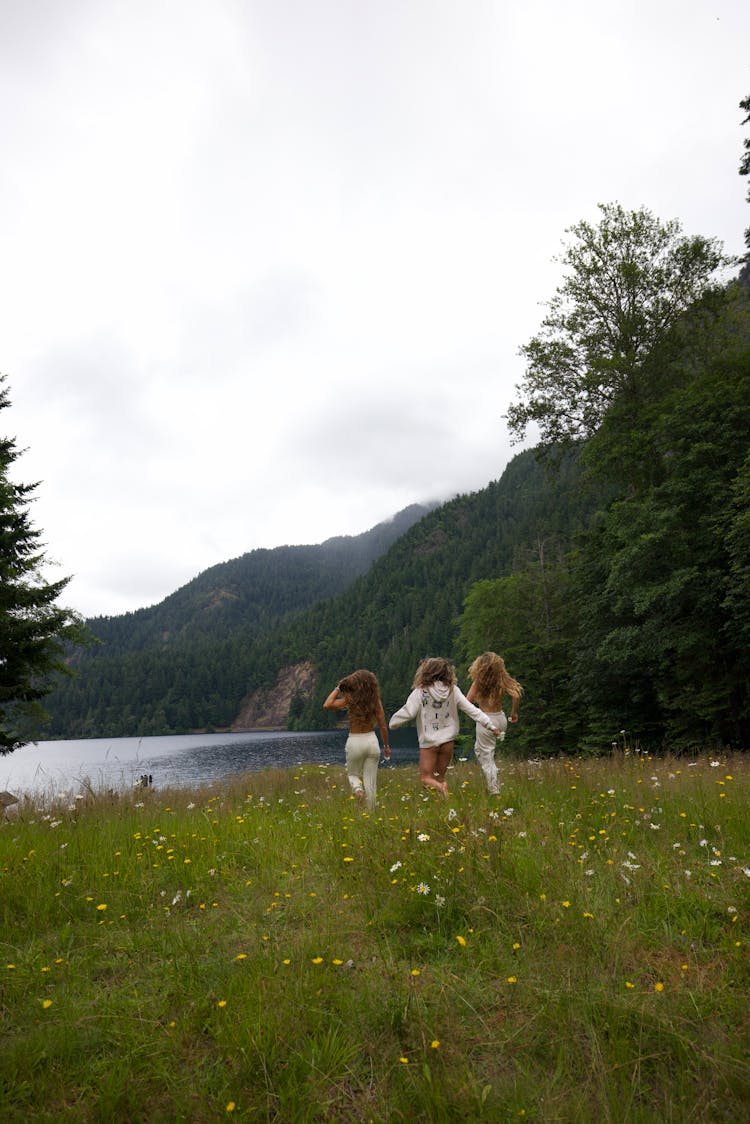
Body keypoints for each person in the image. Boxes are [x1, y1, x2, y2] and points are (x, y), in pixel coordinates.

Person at [389, 657, 501, 797]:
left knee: (426, 779)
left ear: (426, 672)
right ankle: (441, 803)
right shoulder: (453, 690)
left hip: (429, 743)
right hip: (448, 742)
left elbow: (409, 711)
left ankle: (441, 788)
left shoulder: (420, 691)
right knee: (439, 777)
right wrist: (490, 725)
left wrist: (393, 723)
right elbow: (471, 710)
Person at [323, 669, 390, 810]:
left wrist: (338, 688)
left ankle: (358, 790)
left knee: (353, 774)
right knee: (370, 781)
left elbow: (327, 705)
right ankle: (370, 815)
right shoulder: (375, 701)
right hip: (372, 741)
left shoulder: (350, 699)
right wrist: (386, 745)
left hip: (355, 741)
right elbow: (383, 725)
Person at [466, 652, 523, 795]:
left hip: (486, 720)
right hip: (501, 718)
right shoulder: (502, 680)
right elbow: (516, 695)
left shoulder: (479, 682)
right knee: (482, 751)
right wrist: (514, 713)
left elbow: (467, 702)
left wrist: (479, 705)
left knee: (485, 757)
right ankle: (494, 778)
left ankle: (494, 790)